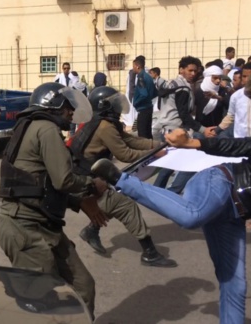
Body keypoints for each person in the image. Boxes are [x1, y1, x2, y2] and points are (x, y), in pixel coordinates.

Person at [92, 127, 251, 324]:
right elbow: (240, 145)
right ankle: (119, 179)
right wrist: (193, 143)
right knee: (192, 216)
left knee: (235, 284)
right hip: (219, 181)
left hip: (234, 214)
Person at [0, 82, 109, 319]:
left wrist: (78, 202)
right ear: (53, 105)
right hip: (25, 227)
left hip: (45, 225)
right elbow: (63, 180)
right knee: (41, 302)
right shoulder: (46, 129)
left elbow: (40, 184)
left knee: (83, 286)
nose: (70, 112)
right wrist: (91, 185)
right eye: (67, 107)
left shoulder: (31, 127)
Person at [70, 86, 176, 267]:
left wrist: (160, 144)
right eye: (115, 103)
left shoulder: (104, 122)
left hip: (93, 176)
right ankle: (149, 253)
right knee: (126, 206)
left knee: (119, 196)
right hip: (86, 181)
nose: (119, 106)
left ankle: (92, 230)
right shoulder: (104, 127)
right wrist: (154, 154)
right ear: (105, 106)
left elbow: (131, 140)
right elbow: (125, 154)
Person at [153, 56, 215, 192]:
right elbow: (184, 115)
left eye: (195, 71)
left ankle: (158, 191)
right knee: (190, 160)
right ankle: (171, 191)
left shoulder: (172, 83)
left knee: (170, 164)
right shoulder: (183, 88)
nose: (193, 74)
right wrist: (202, 129)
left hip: (167, 128)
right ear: (181, 70)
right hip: (175, 130)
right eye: (190, 70)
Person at [215, 63, 251, 139]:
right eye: (244, 76)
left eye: (249, 76)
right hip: (240, 140)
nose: (247, 80)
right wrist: (216, 130)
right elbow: (230, 117)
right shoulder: (236, 96)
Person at [131, 56, 157, 139]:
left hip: (143, 109)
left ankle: (147, 151)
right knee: (148, 133)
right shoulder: (148, 76)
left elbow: (143, 94)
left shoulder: (141, 77)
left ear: (137, 66)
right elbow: (155, 93)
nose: (133, 68)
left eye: (133, 66)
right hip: (149, 108)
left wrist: (135, 102)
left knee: (142, 135)